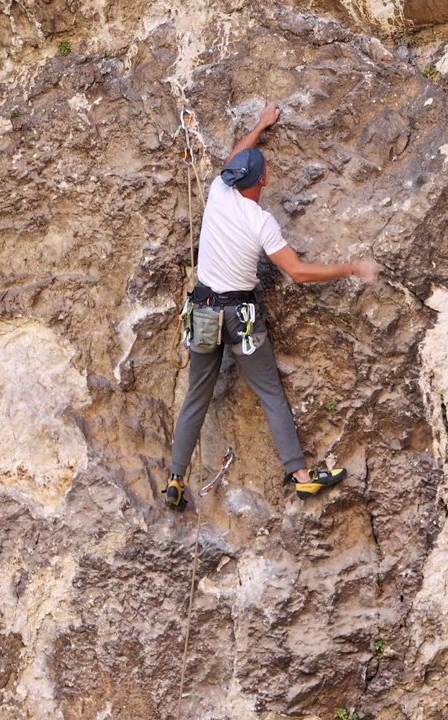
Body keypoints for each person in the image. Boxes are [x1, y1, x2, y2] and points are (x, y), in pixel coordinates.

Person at [163, 102, 380, 510]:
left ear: (233, 178)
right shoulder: (260, 221)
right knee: (269, 392)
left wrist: (261, 125)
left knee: (197, 395)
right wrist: (351, 267)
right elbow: (297, 272)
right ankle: (300, 476)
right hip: (240, 318)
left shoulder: (218, 191)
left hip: (205, 311)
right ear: (263, 180)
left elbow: (233, 159)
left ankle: (175, 478)